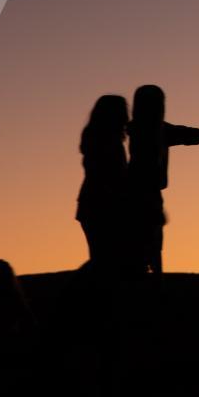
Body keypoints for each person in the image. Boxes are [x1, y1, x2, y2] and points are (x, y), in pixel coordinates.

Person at [125, 84, 199, 274]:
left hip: (145, 192)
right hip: (143, 193)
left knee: (149, 243)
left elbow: (185, 133)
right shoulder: (151, 130)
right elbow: (183, 134)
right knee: (150, 242)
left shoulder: (144, 129)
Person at [76, 94, 131, 275]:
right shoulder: (110, 142)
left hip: (91, 204)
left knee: (102, 259)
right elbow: (113, 176)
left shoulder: (94, 138)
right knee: (107, 261)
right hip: (104, 205)